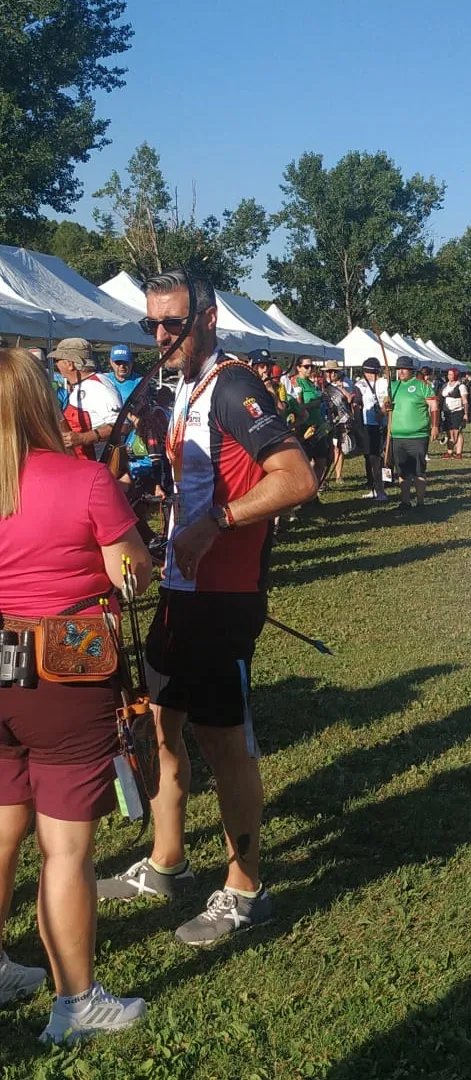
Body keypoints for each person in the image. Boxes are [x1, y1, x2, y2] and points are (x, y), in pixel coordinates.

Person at [96, 269, 318, 946]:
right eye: (152, 326)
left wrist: (214, 520)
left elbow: (297, 477)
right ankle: (167, 862)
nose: (162, 337)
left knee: (223, 743)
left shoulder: (234, 386)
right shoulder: (185, 390)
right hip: (180, 591)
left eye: (174, 324)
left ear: (209, 318)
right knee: (160, 727)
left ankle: (246, 890)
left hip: (224, 597)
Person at [0, 347, 152, 1042]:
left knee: (2, 822)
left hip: (3, 659)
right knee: (66, 849)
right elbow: (133, 575)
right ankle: (75, 1001)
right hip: (67, 665)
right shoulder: (84, 479)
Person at [49, 338, 121, 461]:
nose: (56, 365)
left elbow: (120, 425)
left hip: (97, 465)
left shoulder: (97, 386)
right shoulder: (81, 386)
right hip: (81, 464)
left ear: (69, 364)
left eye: (57, 360)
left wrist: (83, 438)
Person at [382, 357, 439, 509]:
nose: (400, 371)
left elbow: (433, 406)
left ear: (411, 370)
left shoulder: (422, 386)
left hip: (417, 435)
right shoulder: (393, 386)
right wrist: (385, 407)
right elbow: (384, 407)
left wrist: (435, 426)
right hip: (396, 436)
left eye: (404, 369)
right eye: (398, 369)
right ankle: (405, 501)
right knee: (402, 471)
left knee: (418, 470)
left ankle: (420, 502)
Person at [292, 358, 331, 487]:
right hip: (304, 426)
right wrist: (316, 402)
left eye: (311, 366)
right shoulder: (295, 382)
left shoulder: (310, 382)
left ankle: (313, 491)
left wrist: (322, 398)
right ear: (298, 367)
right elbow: (298, 407)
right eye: (306, 366)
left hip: (318, 425)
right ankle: (306, 492)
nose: (310, 369)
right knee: (306, 462)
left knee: (321, 461)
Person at [355, 358, 388, 501]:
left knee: (379, 458)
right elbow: (359, 401)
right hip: (367, 425)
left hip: (381, 425)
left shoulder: (384, 383)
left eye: (368, 371)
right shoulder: (362, 385)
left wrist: (382, 412)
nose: (366, 374)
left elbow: (388, 399)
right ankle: (373, 488)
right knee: (369, 457)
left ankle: (381, 490)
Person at [321, 361, 355, 485]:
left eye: (334, 371)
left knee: (338, 448)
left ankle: (338, 475)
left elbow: (350, 399)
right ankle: (323, 477)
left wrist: (341, 388)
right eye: (329, 372)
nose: (331, 374)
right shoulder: (322, 385)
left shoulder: (345, 383)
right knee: (327, 449)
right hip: (326, 419)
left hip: (341, 420)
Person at [441, 367, 469, 460]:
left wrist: (465, 413)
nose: (449, 376)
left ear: (456, 375)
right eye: (448, 374)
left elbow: (465, 401)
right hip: (447, 411)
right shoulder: (445, 385)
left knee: (457, 432)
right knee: (449, 432)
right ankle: (449, 452)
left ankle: (458, 453)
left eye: (451, 374)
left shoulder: (461, 386)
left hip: (457, 411)